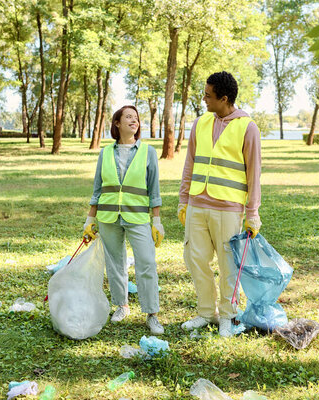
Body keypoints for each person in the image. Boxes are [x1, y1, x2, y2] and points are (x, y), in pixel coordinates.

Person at [178, 71, 262, 337]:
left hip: (228, 208)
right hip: (197, 205)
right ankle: (206, 312)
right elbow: (189, 164)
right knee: (195, 259)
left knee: (228, 265)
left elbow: (254, 174)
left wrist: (253, 214)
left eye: (208, 96)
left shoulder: (247, 127)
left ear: (224, 99)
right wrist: (183, 200)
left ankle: (228, 315)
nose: (204, 100)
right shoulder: (200, 123)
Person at [83, 105, 165, 335]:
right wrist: (90, 218)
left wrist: (156, 220)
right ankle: (122, 306)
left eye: (136, 118)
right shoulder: (105, 153)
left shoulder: (148, 152)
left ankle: (152, 314)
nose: (134, 120)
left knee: (147, 262)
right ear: (117, 123)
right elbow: (98, 188)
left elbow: (154, 189)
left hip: (137, 216)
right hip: (108, 216)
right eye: (128, 117)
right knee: (115, 263)